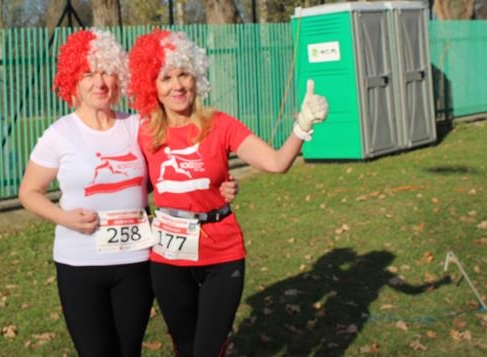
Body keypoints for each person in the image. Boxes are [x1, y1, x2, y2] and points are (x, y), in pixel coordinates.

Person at [18, 29, 238, 357]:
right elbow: (29, 192)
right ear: (73, 80)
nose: (99, 82)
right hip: (80, 262)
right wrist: (64, 218)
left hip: (135, 262)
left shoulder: (138, 126)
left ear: (119, 76)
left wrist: (218, 183)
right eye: (88, 74)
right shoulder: (59, 134)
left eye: (107, 72)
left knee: (129, 350)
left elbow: (174, 167)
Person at [126, 29, 329, 357]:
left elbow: (276, 163)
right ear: (152, 86)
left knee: (208, 349)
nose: (178, 85)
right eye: (166, 78)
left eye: (184, 74)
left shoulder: (220, 124)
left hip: (221, 253)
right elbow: (133, 184)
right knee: (185, 346)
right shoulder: (144, 132)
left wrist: (302, 126)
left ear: (196, 78)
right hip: (168, 257)